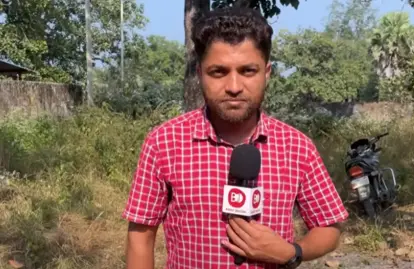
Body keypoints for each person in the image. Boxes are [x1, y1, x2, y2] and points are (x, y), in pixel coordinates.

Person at [122, 7, 349, 269]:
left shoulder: (297, 147)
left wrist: (290, 252)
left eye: (248, 71)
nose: (233, 87)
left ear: (267, 73)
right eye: (218, 72)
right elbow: (141, 235)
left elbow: (328, 227)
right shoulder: (164, 143)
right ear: (200, 73)